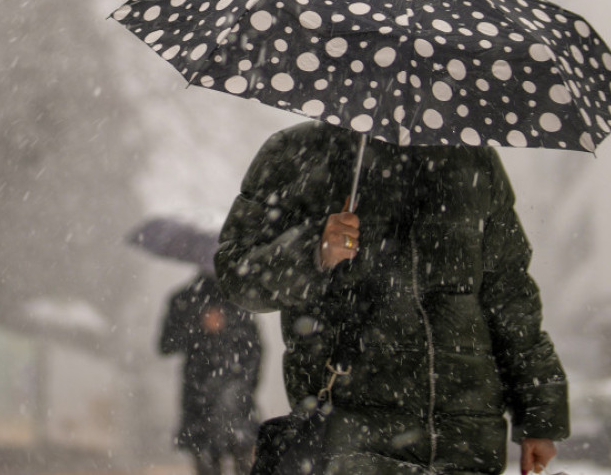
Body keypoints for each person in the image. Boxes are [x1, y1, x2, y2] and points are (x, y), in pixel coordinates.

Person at [213, 121, 569, 475]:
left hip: (465, 441)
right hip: (351, 438)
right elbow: (237, 274)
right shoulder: (299, 152)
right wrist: (313, 250)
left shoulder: (473, 160)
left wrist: (539, 417)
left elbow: (510, 296)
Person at [159, 273, 262, 475]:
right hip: (200, 401)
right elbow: (165, 344)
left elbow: (254, 351)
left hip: (234, 401)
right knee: (210, 464)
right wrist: (199, 326)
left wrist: (244, 386)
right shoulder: (185, 299)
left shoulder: (240, 300)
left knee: (243, 463)